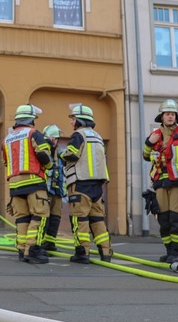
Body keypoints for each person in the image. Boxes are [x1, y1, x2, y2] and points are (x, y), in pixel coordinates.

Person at [142, 99, 178, 263]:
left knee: (176, 218)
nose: (170, 117)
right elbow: (146, 156)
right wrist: (149, 143)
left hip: (177, 182)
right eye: (167, 114)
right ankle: (169, 251)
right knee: (163, 219)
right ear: (161, 116)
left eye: (173, 114)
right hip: (160, 182)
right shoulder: (155, 135)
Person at [61, 104, 112, 264]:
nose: (71, 123)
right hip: (97, 186)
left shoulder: (78, 135)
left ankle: (82, 253)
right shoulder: (97, 136)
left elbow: (71, 155)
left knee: (80, 220)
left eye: (73, 119)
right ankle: (105, 251)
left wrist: (61, 154)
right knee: (97, 220)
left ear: (80, 120)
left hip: (80, 184)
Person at [2, 105, 53, 263]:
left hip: (15, 185)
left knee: (22, 218)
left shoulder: (7, 138)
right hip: (34, 181)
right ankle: (33, 250)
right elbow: (43, 154)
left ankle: (22, 250)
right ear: (31, 120)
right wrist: (50, 167)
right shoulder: (33, 133)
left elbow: (5, 162)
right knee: (40, 215)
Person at [40, 124, 66, 253]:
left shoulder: (60, 154)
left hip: (57, 190)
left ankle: (50, 242)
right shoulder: (44, 151)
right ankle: (42, 242)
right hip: (46, 190)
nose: (56, 141)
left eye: (56, 139)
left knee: (55, 216)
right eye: (54, 138)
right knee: (45, 217)